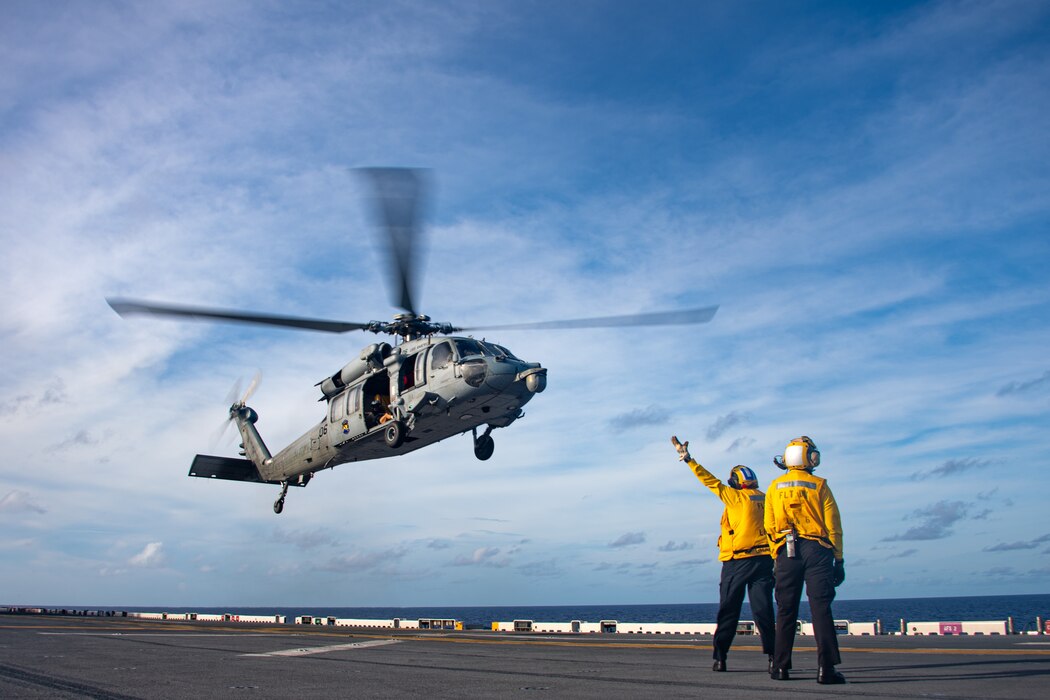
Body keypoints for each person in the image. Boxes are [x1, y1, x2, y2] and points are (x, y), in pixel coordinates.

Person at [671, 436, 775, 673]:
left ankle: (720, 658)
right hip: (765, 561)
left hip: (737, 561)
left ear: (736, 483)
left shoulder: (736, 497)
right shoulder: (766, 498)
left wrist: (688, 459)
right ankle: (774, 659)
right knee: (764, 611)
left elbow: (710, 481)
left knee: (728, 611)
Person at [764, 436, 846, 684]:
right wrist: (838, 560)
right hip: (817, 549)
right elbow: (833, 526)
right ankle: (826, 669)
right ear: (806, 456)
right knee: (820, 608)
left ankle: (780, 667)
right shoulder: (819, 485)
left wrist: (775, 554)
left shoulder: (774, 486)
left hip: (785, 551)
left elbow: (768, 526)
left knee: (785, 610)